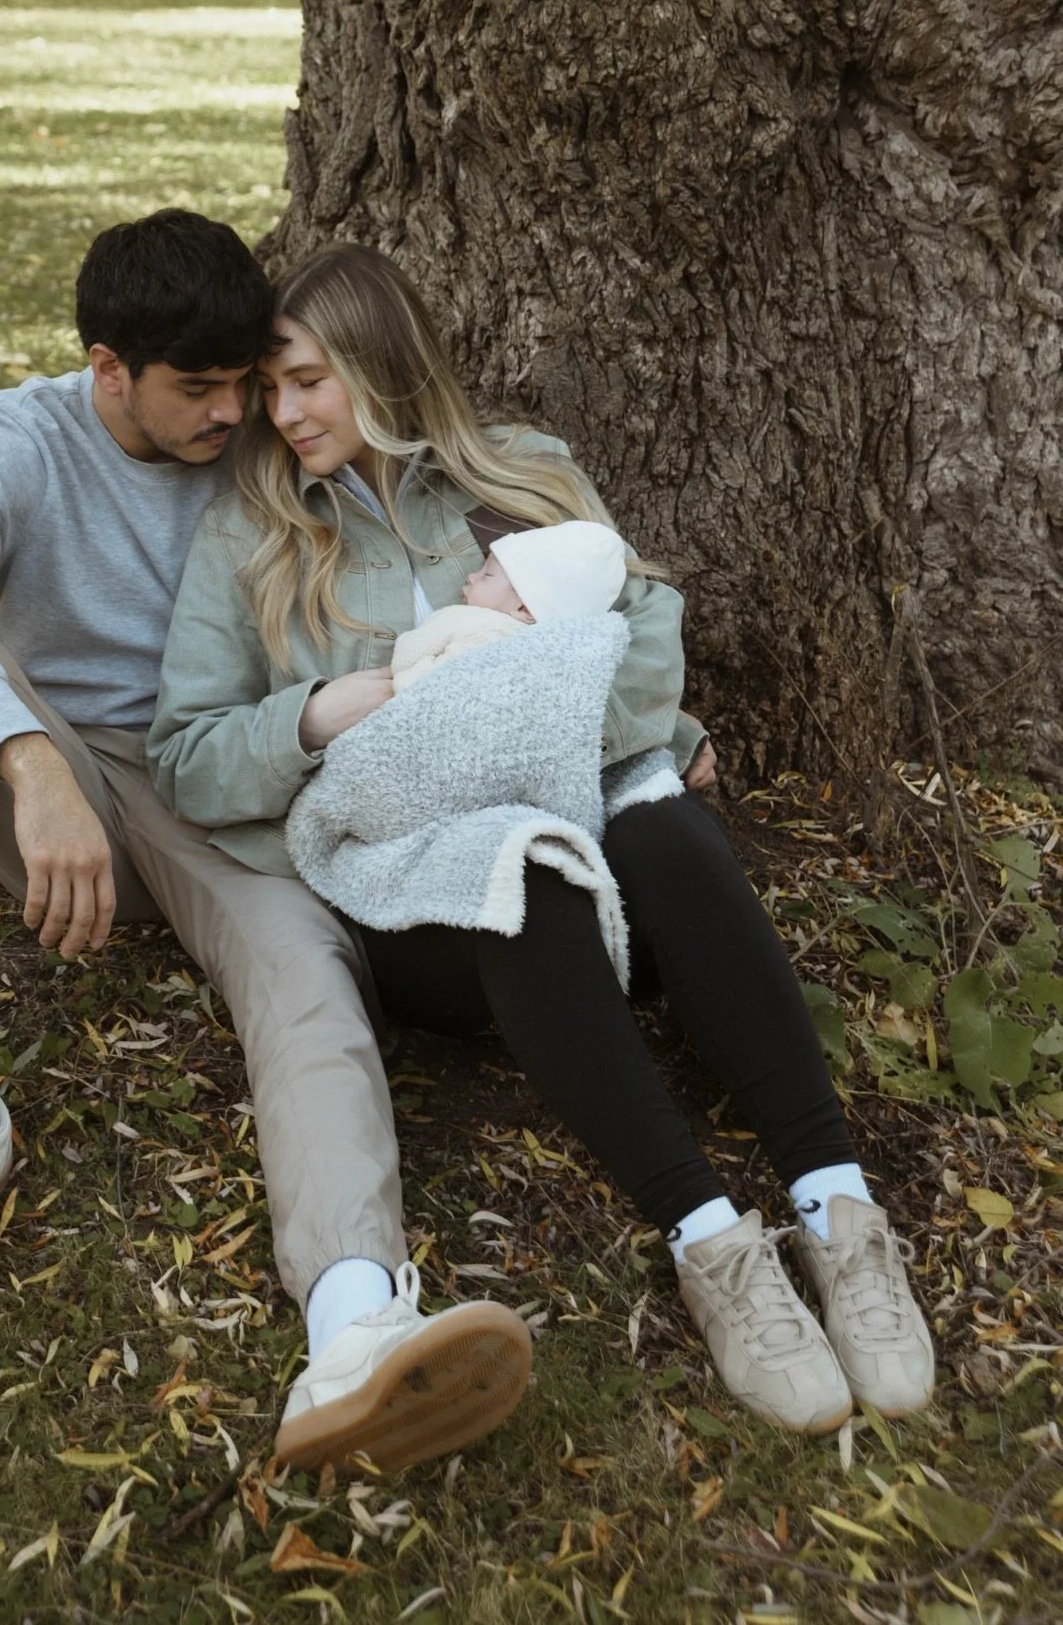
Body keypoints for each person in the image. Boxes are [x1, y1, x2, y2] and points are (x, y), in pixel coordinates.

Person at [149, 242, 935, 1436]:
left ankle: (841, 1212)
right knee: (519, 867)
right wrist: (332, 707)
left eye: (307, 378)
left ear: (380, 363)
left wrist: (562, 704)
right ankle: (713, 1243)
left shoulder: (525, 474)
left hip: (604, 831)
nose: (282, 411)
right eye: (270, 387)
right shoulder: (250, 536)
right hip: (424, 899)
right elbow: (188, 756)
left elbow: (641, 626)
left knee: (667, 829)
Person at [0, 210, 530, 1476]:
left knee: (309, 984)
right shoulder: (18, 440)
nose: (234, 415)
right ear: (110, 370)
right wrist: (30, 760)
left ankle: (354, 1318)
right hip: (58, 786)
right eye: (197, 390)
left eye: (244, 384)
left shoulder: (264, 433)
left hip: (225, 786)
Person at [390, 520, 629, 692]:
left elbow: (406, 658)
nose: (471, 577)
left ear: (524, 609)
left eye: (487, 575)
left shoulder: (468, 621)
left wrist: (394, 683)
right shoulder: (552, 654)